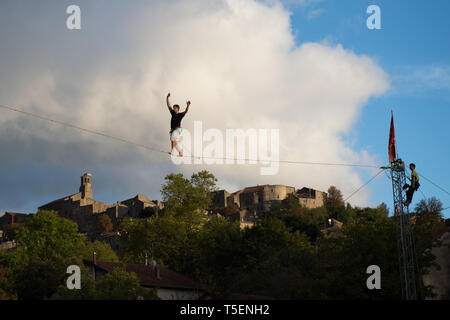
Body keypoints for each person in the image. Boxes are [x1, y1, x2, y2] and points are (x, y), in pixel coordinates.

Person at [166, 92, 190, 157]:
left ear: (177, 109)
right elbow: (168, 105)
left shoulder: (180, 115)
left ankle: (172, 151)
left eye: (175, 108)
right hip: (173, 130)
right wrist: (167, 97)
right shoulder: (173, 113)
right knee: (174, 142)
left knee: (173, 138)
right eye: (173, 108)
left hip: (178, 129)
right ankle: (180, 152)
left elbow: (186, 111)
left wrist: (188, 105)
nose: (173, 109)